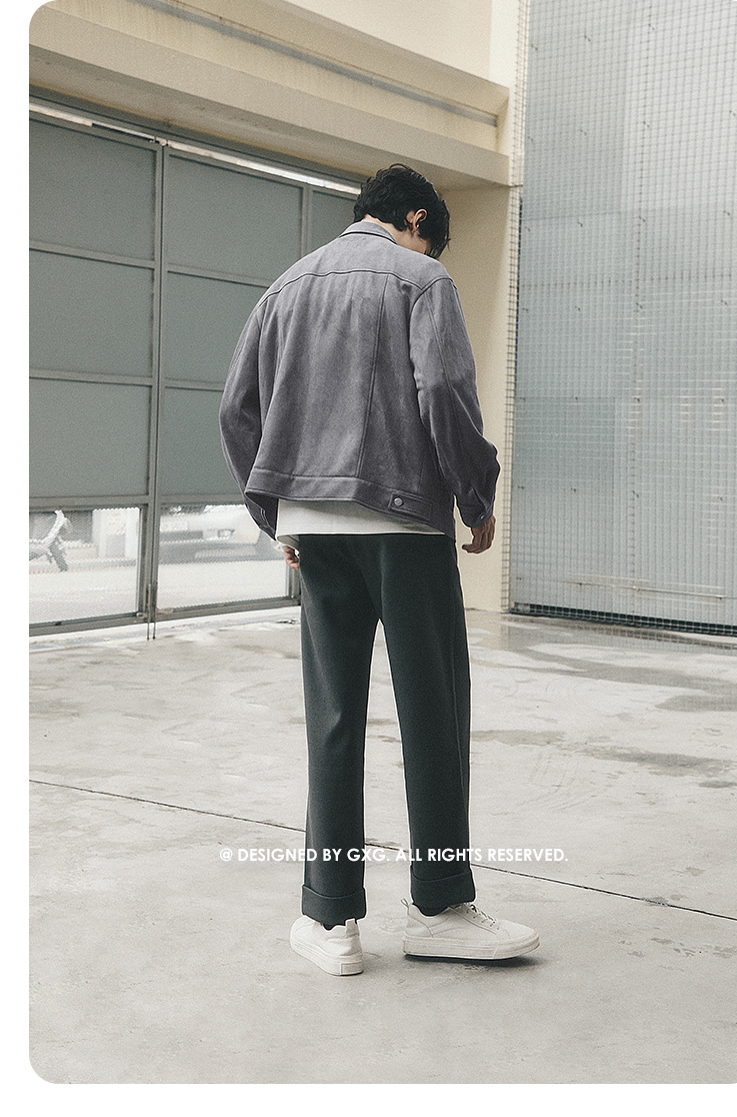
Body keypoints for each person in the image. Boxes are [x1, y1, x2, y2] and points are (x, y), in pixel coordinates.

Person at [220, 164, 539, 975]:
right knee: (433, 708)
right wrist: (475, 495)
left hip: (314, 526)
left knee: (333, 715)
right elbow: (446, 390)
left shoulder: (286, 287)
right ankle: (439, 908)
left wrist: (277, 512)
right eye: (431, 238)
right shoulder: (421, 280)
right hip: (403, 520)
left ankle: (331, 922)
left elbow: (236, 409)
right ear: (418, 218)